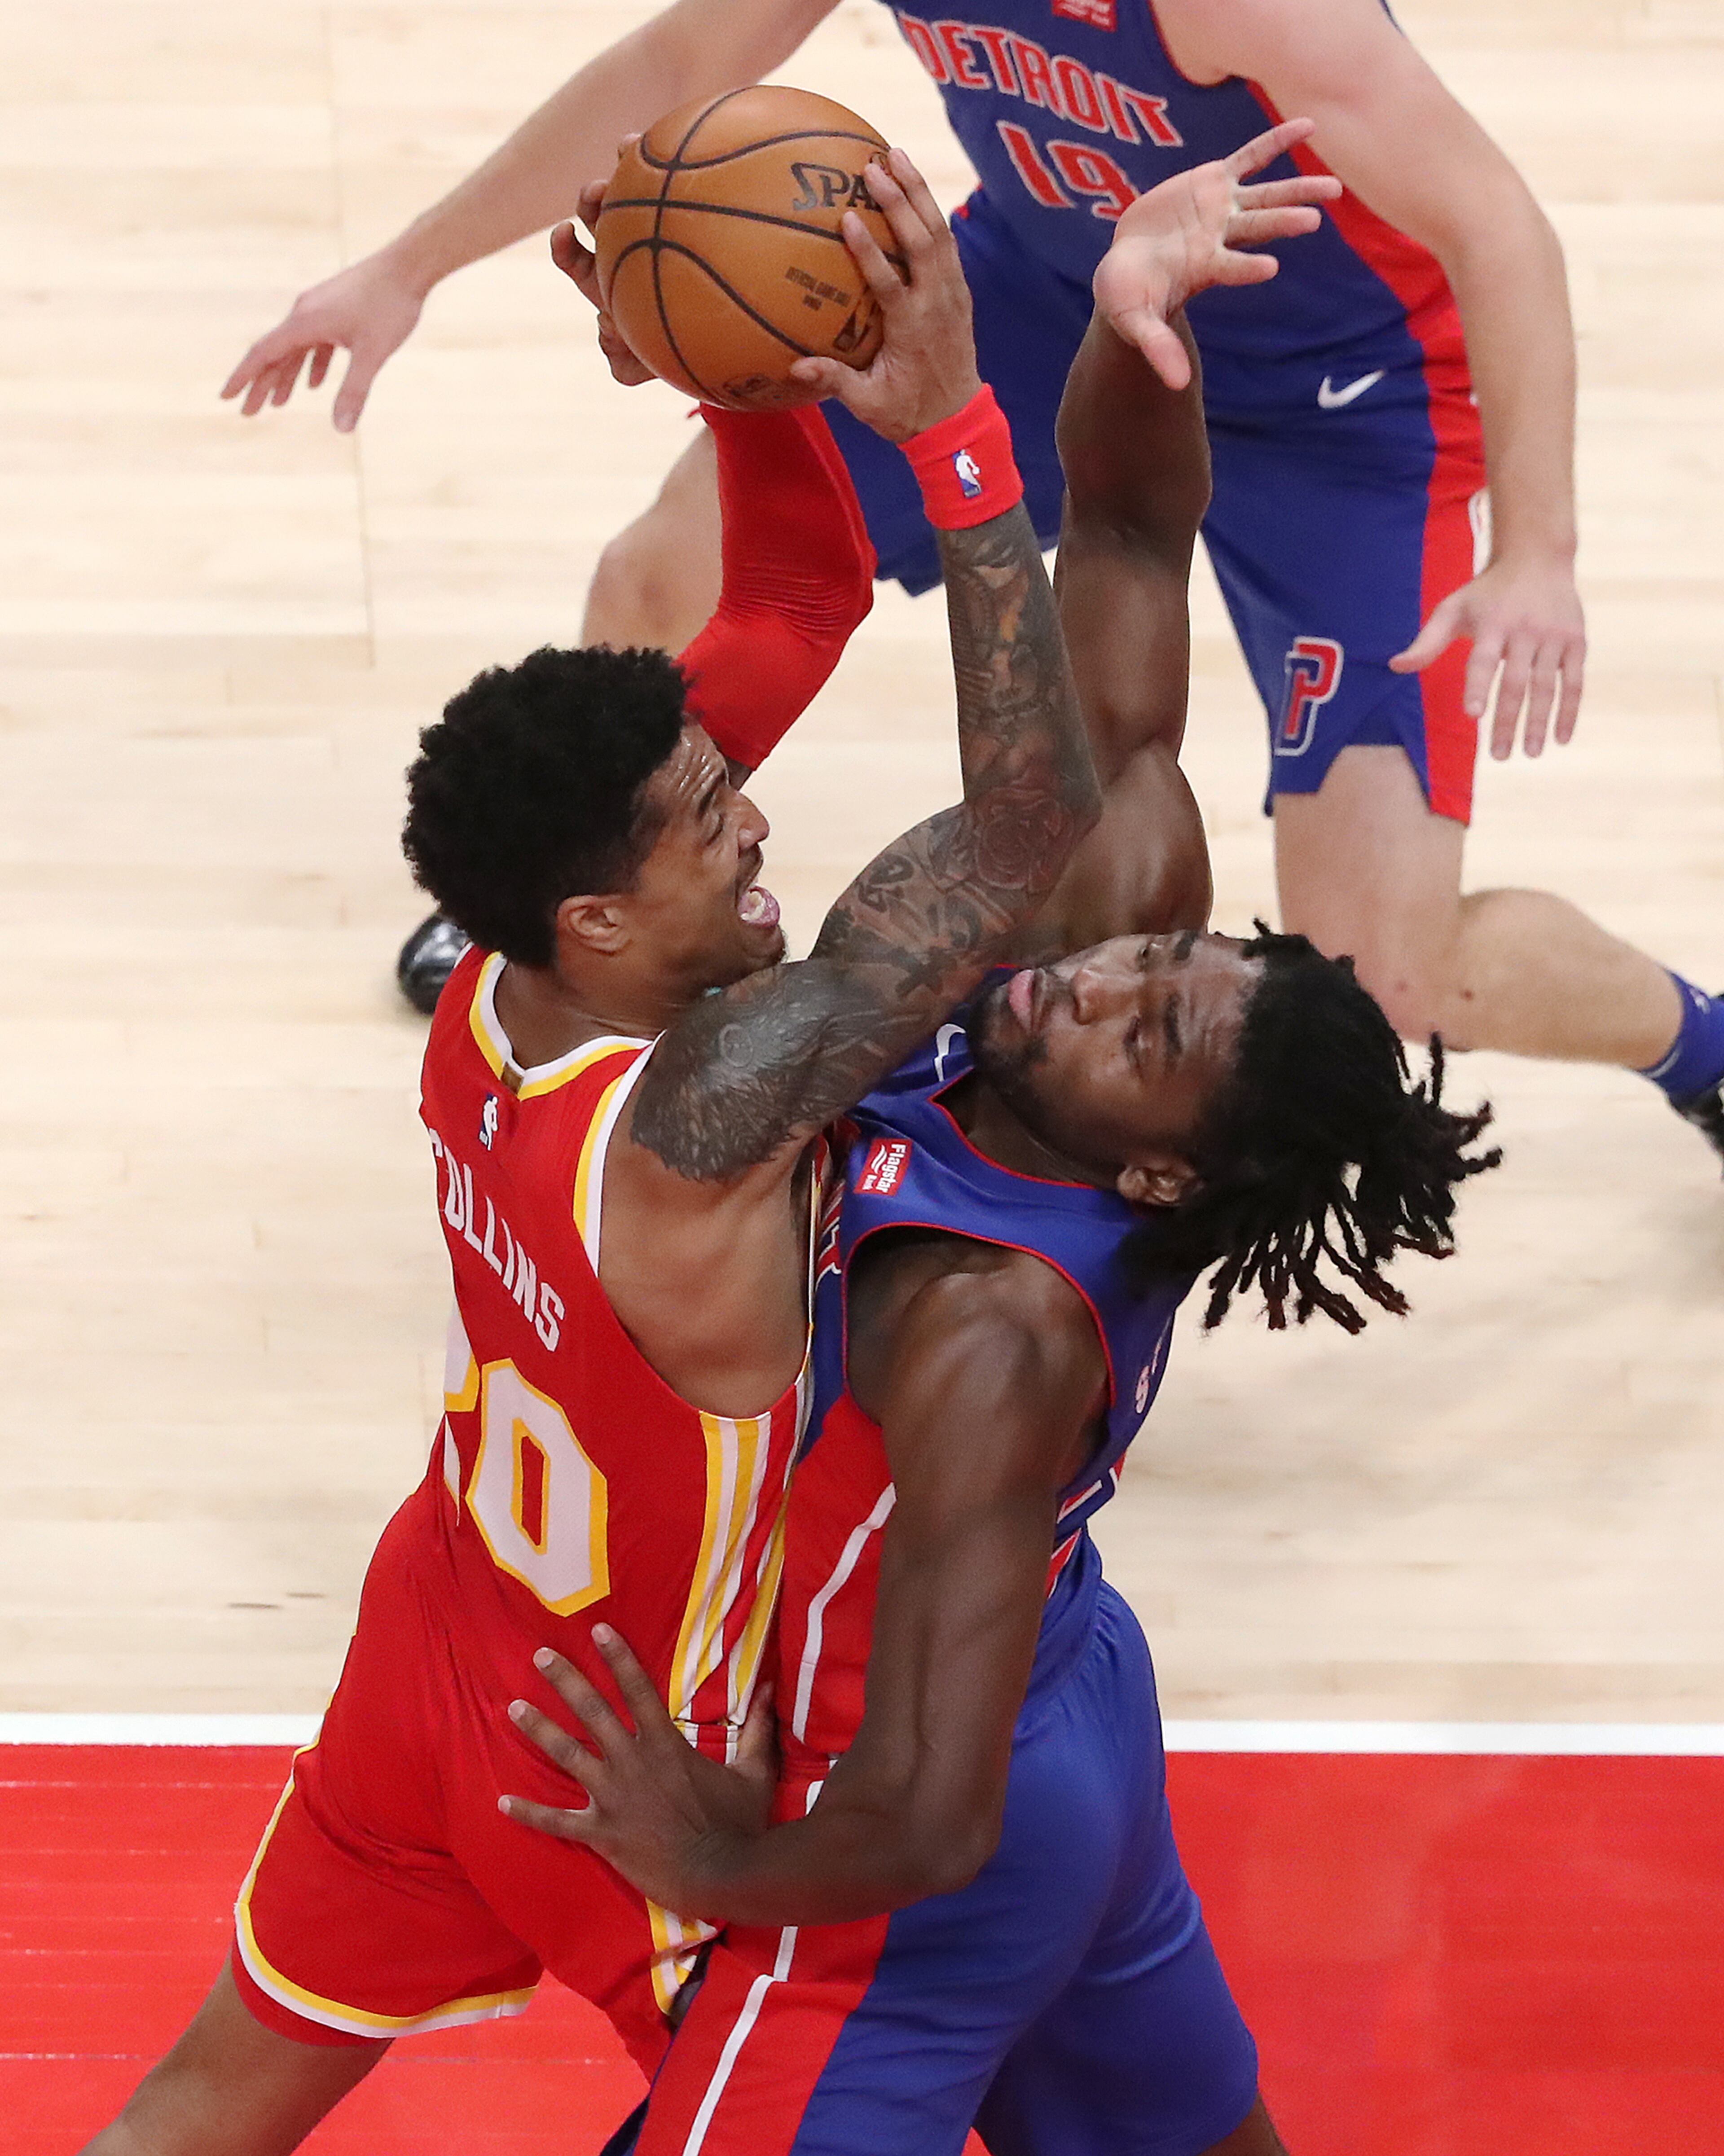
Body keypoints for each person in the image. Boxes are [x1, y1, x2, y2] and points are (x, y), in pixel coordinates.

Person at [81, 153, 1105, 2156]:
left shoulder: (505, 983)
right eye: (701, 816)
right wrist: (960, 440)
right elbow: (1021, 831)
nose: (750, 817)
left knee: (211, 2097)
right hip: (617, 1758)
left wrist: (740, 373)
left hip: (438, 1642)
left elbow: (798, 599)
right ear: (609, 924)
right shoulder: (709, 1105)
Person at [498, 247, 1500, 2156]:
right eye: (1160, 968)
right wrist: (1138, 315)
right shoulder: (1089, 992)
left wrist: (713, 1847)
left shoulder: (991, 1333)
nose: (1097, 982)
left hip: (921, 1841)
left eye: (1146, 1033)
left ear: (1151, 1167)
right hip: (1076, 1701)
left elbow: (928, 1809)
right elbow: (1124, 535)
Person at [222, 0, 1724, 1172]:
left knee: (1388, 966)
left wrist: (1540, 551)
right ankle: (595, 939)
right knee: (658, 573)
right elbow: (676, 63)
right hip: (1057, 287)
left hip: (1350, 405)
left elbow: (1500, 228)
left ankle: (1704, 1047)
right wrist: (410, 267)